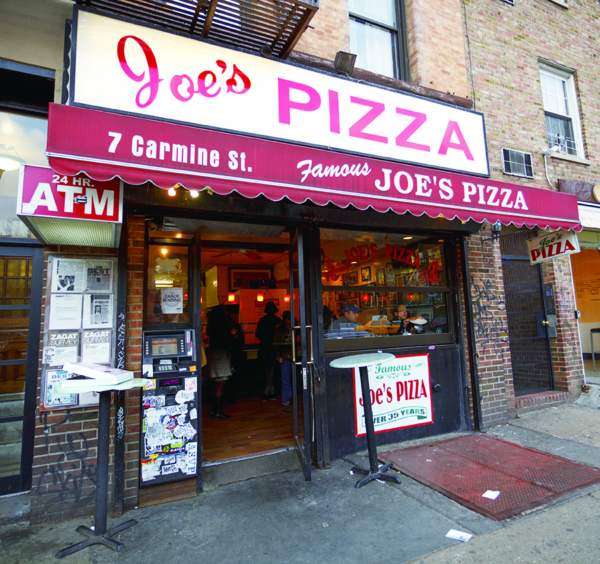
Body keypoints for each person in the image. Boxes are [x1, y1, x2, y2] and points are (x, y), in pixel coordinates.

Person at [206, 306, 235, 419]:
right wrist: (232, 334)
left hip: (214, 357)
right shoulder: (221, 329)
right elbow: (226, 344)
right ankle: (218, 411)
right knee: (221, 384)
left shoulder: (212, 327)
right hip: (220, 358)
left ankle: (214, 410)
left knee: (216, 384)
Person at [255, 301, 282, 401]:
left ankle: (268, 393)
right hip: (274, 348)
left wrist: (263, 338)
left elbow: (257, 334)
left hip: (264, 347)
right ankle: (271, 392)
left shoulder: (262, 320)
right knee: (272, 370)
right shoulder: (278, 320)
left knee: (268, 371)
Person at [274, 310, 294, 413]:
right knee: (287, 378)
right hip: (289, 355)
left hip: (287, 355)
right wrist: (279, 356)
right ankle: (287, 398)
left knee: (286, 378)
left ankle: (287, 398)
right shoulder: (290, 328)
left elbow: (275, 343)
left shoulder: (281, 329)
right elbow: (276, 343)